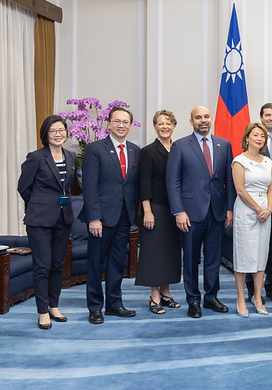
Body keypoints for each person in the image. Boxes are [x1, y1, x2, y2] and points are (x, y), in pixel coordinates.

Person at [166, 106, 235, 319]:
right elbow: (173, 181)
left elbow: (229, 181)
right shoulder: (180, 146)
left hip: (217, 212)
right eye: (198, 117)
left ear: (211, 119)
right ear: (191, 121)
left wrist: (230, 208)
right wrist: (178, 211)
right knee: (190, 259)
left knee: (214, 258)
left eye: (206, 117)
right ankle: (193, 299)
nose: (202, 120)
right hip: (190, 214)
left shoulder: (224, 145)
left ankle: (211, 297)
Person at [79, 106, 141, 324]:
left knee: (117, 262)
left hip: (124, 216)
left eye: (125, 122)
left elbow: (133, 186)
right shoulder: (96, 149)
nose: (121, 125)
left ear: (130, 125)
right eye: (117, 121)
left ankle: (114, 304)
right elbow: (89, 186)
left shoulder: (135, 150)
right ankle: (95, 307)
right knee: (96, 263)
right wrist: (94, 217)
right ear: (109, 123)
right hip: (102, 218)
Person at [17, 115, 77, 330]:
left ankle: (54, 306)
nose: (58, 134)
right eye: (53, 131)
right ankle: (42, 312)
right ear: (45, 134)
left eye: (61, 130)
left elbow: (68, 187)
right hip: (40, 220)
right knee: (42, 266)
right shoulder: (35, 158)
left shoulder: (70, 157)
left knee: (57, 265)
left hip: (64, 218)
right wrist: (39, 205)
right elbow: (24, 187)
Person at [134, 110, 181, 315]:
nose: (164, 127)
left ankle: (166, 292)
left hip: (175, 209)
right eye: (160, 123)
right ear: (154, 126)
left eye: (168, 123)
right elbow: (143, 184)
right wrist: (147, 211)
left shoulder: (178, 148)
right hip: (155, 208)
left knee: (170, 253)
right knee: (154, 253)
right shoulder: (148, 151)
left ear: (174, 126)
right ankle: (154, 295)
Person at [246, 103, 272, 302]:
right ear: (261, 117)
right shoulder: (254, 139)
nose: (271, 118)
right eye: (267, 115)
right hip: (254, 204)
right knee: (253, 246)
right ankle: (251, 289)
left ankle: (271, 286)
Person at [232, 123, 272, 317]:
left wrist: (269, 209)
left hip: (265, 213)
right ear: (247, 138)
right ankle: (241, 298)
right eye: (255, 135)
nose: (259, 138)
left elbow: (271, 188)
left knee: (260, 255)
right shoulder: (239, 161)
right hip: (246, 211)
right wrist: (258, 209)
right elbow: (240, 190)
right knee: (244, 255)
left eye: (262, 136)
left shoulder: (268, 162)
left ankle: (257, 297)